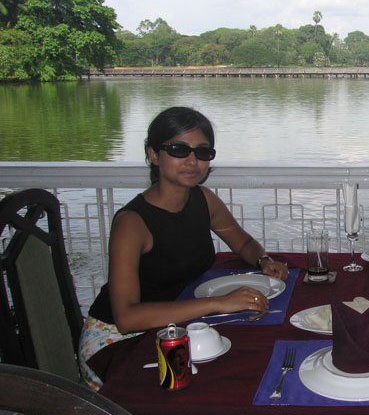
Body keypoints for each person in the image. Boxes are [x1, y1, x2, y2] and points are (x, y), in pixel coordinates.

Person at [79, 106, 289, 389]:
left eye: (202, 152)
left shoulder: (202, 199)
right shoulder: (132, 222)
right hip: (118, 340)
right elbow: (127, 317)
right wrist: (219, 302)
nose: (192, 161)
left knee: (251, 358)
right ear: (153, 154)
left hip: (177, 322)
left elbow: (243, 242)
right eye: (179, 150)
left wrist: (263, 261)